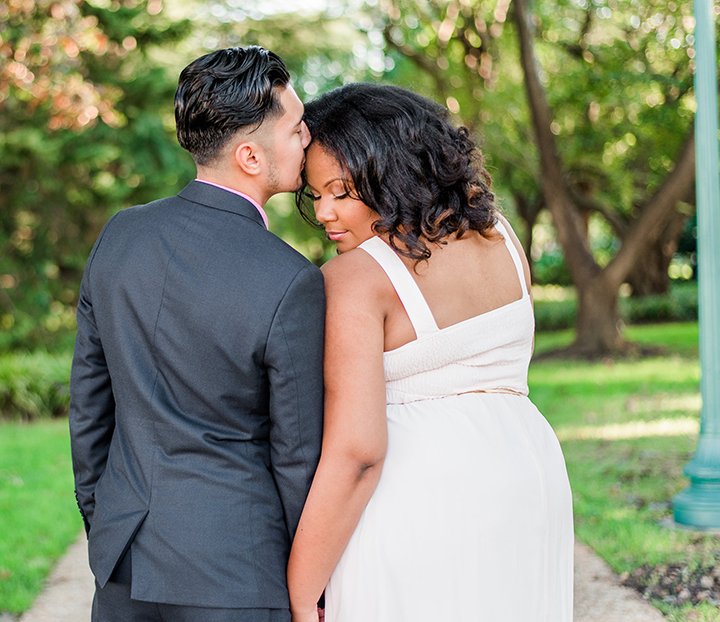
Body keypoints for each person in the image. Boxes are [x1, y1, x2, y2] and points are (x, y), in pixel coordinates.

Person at [286, 83, 573, 622]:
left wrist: (302, 591)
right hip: (529, 472)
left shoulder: (354, 278)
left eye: (343, 191)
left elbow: (358, 452)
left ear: (392, 174)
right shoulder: (500, 237)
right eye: (314, 193)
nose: (324, 212)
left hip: (424, 496)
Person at [69, 46, 326, 622]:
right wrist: (308, 581)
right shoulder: (292, 281)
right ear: (251, 156)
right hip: (239, 573)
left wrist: (103, 519)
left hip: (124, 559)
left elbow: (89, 404)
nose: (308, 139)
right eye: (297, 128)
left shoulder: (120, 236)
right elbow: (296, 456)